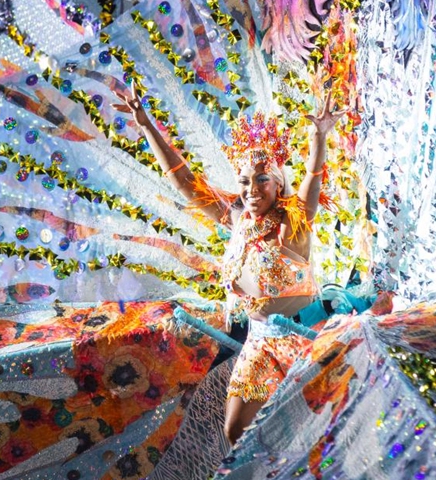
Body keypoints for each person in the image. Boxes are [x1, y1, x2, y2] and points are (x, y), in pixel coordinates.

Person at [118, 85, 347, 445]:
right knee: (236, 430)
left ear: (278, 183)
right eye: (244, 181)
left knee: (320, 430)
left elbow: (311, 185)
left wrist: (318, 137)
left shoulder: (293, 225)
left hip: (306, 339)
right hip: (260, 344)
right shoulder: (238, 219)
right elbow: (185, 181)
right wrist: (147, 126)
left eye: (261, 180)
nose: (252, 190)